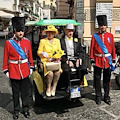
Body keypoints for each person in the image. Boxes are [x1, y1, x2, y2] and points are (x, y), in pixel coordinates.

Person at [2, 17, 34, 119]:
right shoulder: (8, 43)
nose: (21, 33)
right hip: (14, 70)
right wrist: (6, 69)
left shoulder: (27, 42)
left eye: (22, 30)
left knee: (25, 93)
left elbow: (30, 56)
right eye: (19, 30)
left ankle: (25, 109)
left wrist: (31, 66)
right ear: (15, 31)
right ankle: (16, 111)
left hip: (24, 70)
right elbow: (5, 57)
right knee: (15, 93)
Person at [90, 15, 116, 105]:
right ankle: (98, 96)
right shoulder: (95, 36)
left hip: (107, 60)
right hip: (98, 59)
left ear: (106, 26)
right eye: (101, 25)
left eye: (104, 25)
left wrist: (113, 58)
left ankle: (106, 96)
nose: (103, 27)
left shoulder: (110, 36)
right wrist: (92, 58)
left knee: (107, 80)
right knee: (97, 79)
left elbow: (112, 48)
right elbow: (92, 48)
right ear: (99, 26)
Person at [37, 25, 63, 97]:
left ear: (54, 33)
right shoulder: (43, 41)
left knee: (57, 72)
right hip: (46, 62)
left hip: (54, 62)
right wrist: (42, 53)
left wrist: (57, 57)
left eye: (51, 32)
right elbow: (38, 52)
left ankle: (54, 87)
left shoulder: (57, 41)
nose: (50, 34)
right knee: (50, 73)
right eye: (48, 32)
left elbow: (59, 51)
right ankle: (48, 87)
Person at [60, 24, 88, 88]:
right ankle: (66, 85)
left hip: (75, 59)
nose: (70, 33)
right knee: (66, 70)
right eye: (69, 31)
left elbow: (81, 51)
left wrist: (79, 59)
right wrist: (66, 61)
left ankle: (78, 83)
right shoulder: (61, 41)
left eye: (72, 31)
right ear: (65, 31)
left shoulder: (76, 41)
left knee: (83, 69)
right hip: (66, 60)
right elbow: (60, 53)